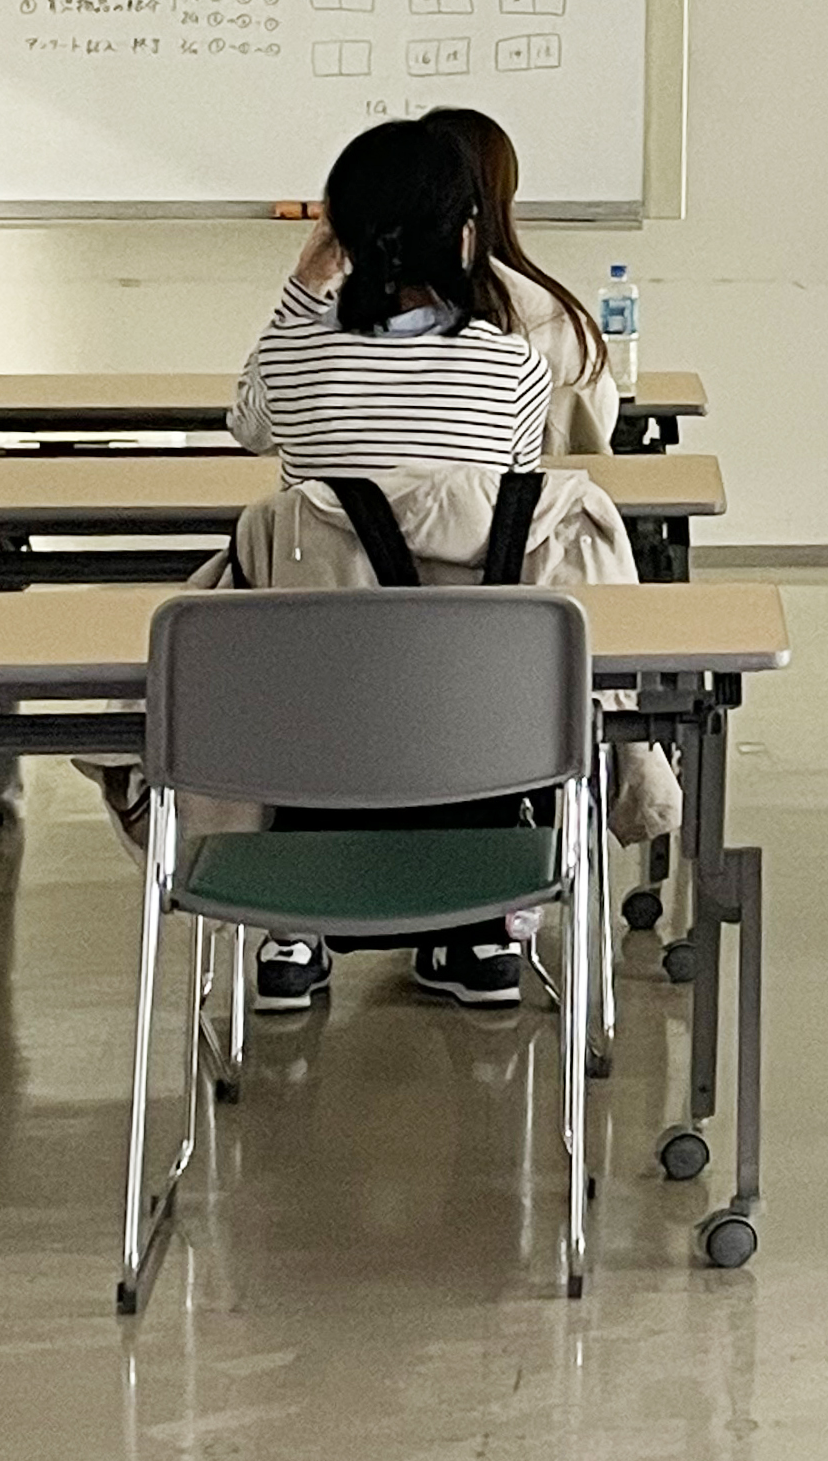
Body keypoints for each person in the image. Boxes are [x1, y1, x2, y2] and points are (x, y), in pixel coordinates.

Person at [232, 118, 553, 1014]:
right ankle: (479, 930)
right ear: (465, 232)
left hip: (314, 713)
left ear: (341, 231)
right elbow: (503, 503)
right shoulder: (515, 367)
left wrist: (304, 289)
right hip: (477, 719)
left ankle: (293, 925)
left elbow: (248, 424)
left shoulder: (298, 356)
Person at [424, 106, 618, 453]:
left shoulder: (355, 315)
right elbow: (595, 430)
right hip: (527, 504)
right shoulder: (551, 315)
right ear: (503, 195)